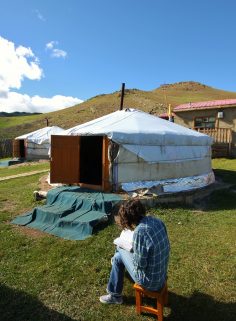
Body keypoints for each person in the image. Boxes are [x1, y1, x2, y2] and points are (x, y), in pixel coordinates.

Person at [99, 199, 170, 304]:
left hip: (149, 282)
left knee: (119, 249)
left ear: (127, 219)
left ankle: (115, 295)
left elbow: (140, 265)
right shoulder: (156, 221)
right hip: (162, 274)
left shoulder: (140, 232)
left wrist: (131, 250)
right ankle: (115, 265)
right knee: (119, 257)